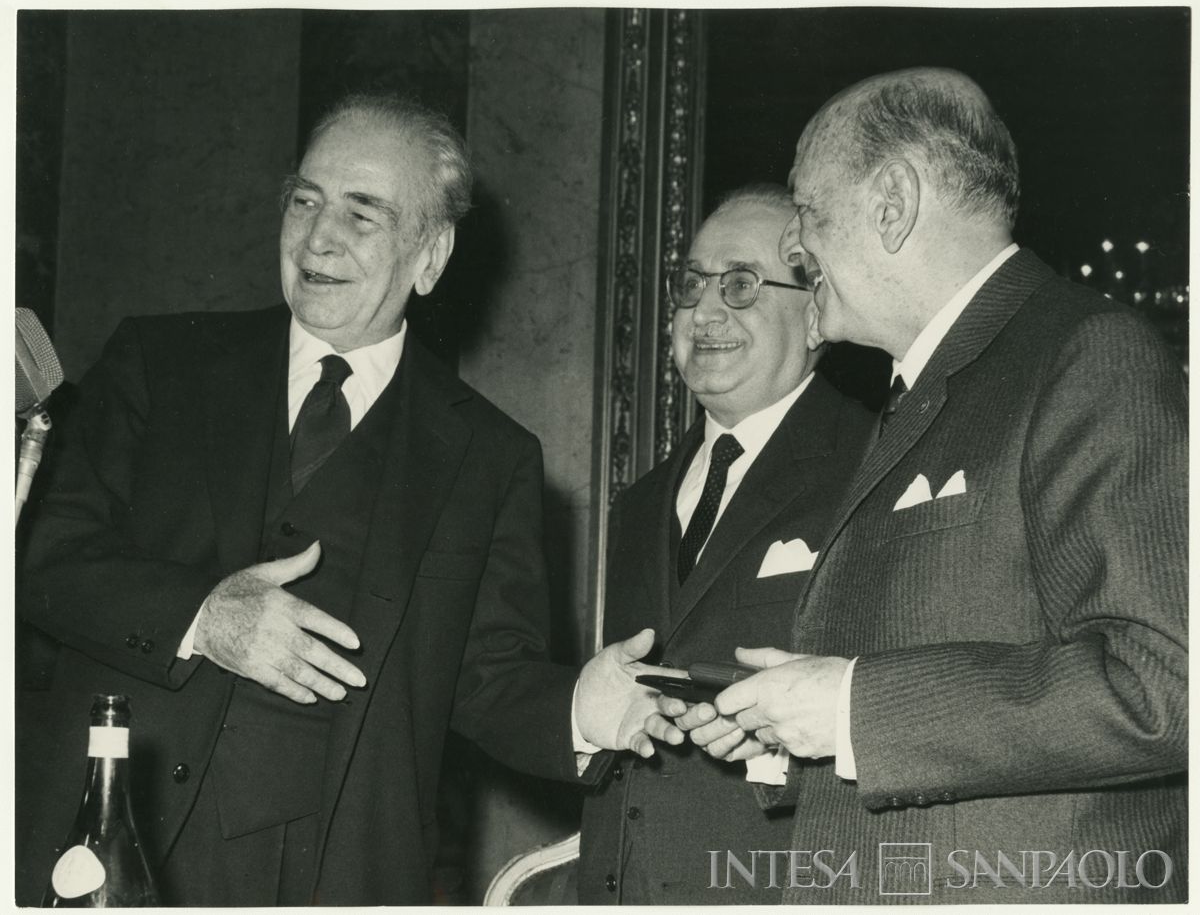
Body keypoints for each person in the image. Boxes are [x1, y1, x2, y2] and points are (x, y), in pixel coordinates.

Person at [17, 92, 673, 906]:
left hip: (333, 877)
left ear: (430, 257)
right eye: (304, 202)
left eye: (362, 216)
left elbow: (489, 677)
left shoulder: (490, 458)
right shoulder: (159, 363)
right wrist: (202, 616)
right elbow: (40, 558)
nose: (318, 239)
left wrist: (580, 709)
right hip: (103, 842)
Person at [667, 67, 1188, 903]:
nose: (796, 248)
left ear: (892, 203)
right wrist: (788, 730)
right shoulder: (925, 391)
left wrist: (849, 707)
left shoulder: (1087, 356)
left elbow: (1166, 683)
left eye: (806, 209)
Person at [576, 186, 875, 904]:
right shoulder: (641, 500)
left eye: (740, 285)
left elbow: (909, 719)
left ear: (815, 314)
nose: (704, 313)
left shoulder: (876, 466)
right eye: (690, 286)